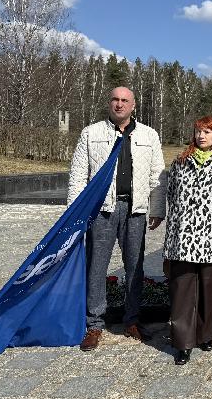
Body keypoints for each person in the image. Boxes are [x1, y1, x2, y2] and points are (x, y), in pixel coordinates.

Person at [68, 87, 166, 352]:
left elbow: (158, 175)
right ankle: (94, 324)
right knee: (96, 267)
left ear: (133, 105)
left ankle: (132, 319)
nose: (119, 104)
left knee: (135, 267)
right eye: (115, 99)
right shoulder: (91, 133)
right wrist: (74, 212)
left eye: (125, 100)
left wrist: (157, 209)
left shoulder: (149, 135)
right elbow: (78, 174)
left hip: (135, 210)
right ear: (109, 103)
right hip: (101, 210)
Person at [163, 117, 212, 365]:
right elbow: (172, 197)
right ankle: (183, 342)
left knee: (208, 290)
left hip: (211, 237)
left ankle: (205, 334)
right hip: (183, 238)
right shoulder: (180, 162)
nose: (202, 136)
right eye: (198, 131)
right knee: (182, 292)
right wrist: (173, 233)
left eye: (207, 132)